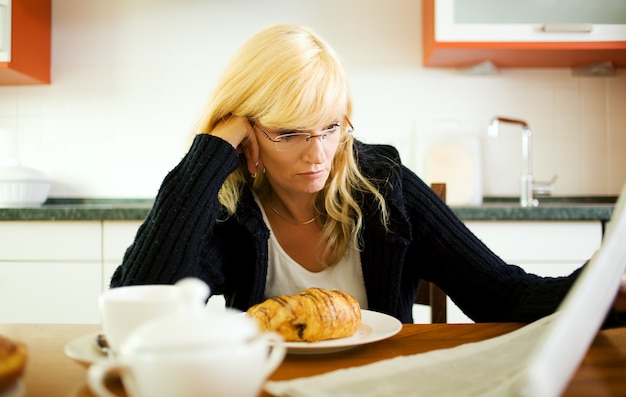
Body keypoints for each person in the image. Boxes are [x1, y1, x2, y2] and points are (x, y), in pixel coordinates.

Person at [111, 23, 626, 325]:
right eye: (289, 134)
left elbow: (501, 294)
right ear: (247, 131)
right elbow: (137, 309)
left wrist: (604, 292)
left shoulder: (385, 187)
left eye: (331, 127)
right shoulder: (229, 208)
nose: (319, 154)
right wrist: (213, 150)